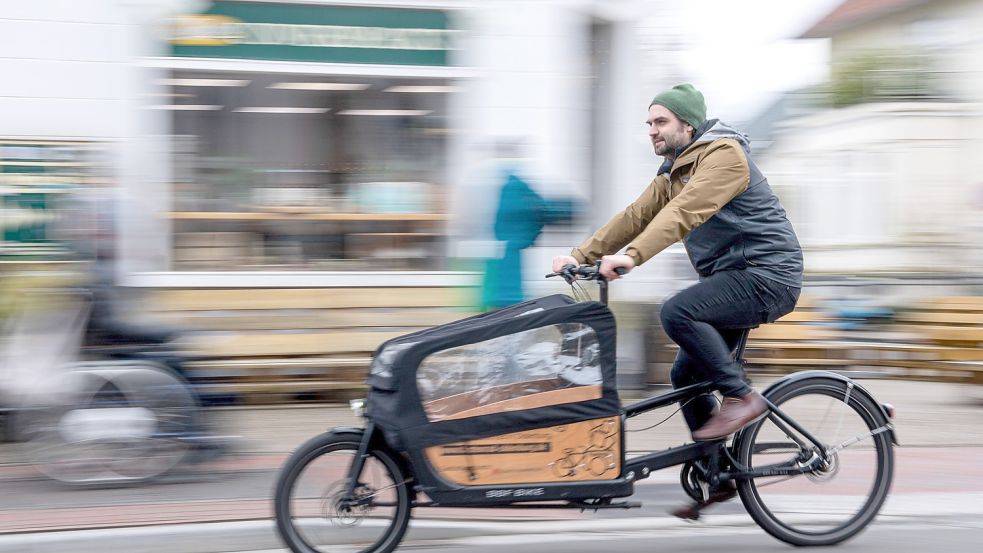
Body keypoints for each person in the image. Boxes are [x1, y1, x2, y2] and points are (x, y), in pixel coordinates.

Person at [552, 83, 803, 515]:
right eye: (649, 123)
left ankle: (743, 398)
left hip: (767, 274)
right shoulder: (673, 171)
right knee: (686, 372)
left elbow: (683, 212)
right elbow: (635, 215)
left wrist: (632, 257)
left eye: (661, 121)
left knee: (677, 311)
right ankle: (718, 469)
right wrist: (580, 256)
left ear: (688, 124)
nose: (652, 130)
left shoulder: (725, 156)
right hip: (733, 277)